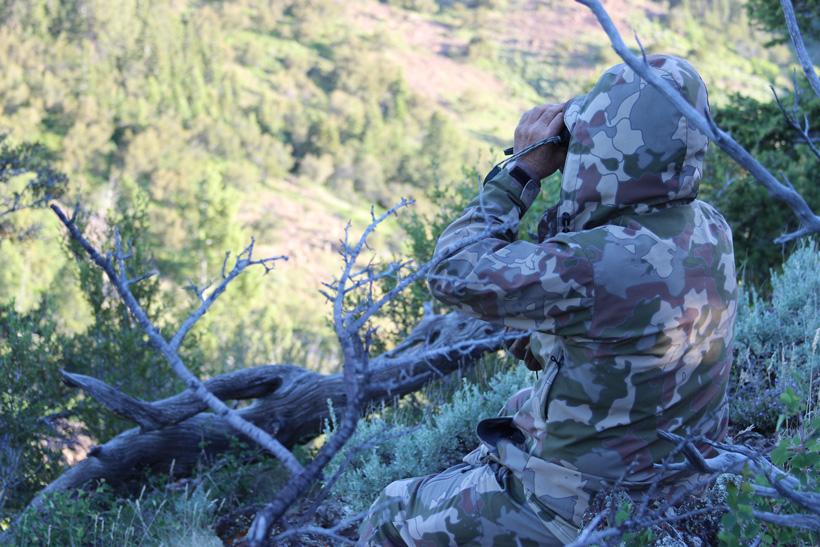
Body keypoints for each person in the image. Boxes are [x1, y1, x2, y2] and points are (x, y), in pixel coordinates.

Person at [358, 54, 737, 546]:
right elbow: (594, 333)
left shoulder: (591, 264)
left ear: (605, 148)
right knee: (516, 411)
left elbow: (451, 274)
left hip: (581, 509)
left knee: (389, 510)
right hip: (682, 486)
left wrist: (520, 174)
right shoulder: (710, 228)